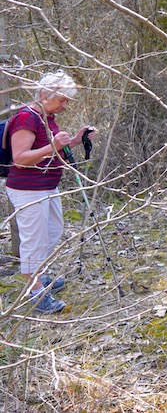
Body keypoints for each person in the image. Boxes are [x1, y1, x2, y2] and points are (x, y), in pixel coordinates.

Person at [6, 71, 95, 313]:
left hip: (47, 186)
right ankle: (35, 293)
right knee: (35, 241)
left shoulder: (47, 116)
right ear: (45, 95)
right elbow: (21, 158)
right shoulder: (26, 118)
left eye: (67, 101)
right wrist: (54, 145)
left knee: (53, 233)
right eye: (62, 100)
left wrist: (76, 140)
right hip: (28, 189)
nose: (65, 105)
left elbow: (52, 150)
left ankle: (40, 276)